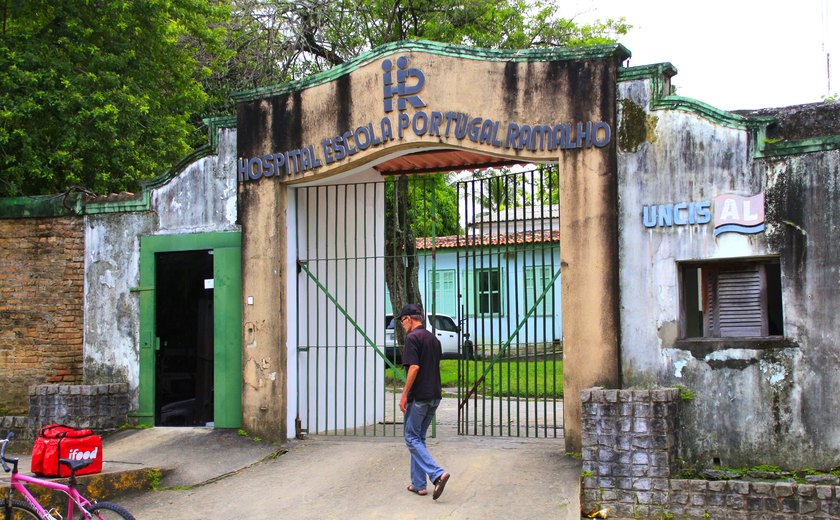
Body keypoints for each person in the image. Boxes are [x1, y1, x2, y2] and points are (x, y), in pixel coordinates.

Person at [398, 303, 450, 500]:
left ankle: (437, 474)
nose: (402, 325)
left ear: (409, 319)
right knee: (418, 438)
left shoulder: (412, 338)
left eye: (402, 320)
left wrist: (404, 395)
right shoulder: (433, 339)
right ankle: (419, 484)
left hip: (419, 397)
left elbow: (414, 368)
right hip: (434, 396)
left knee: (411, 438)